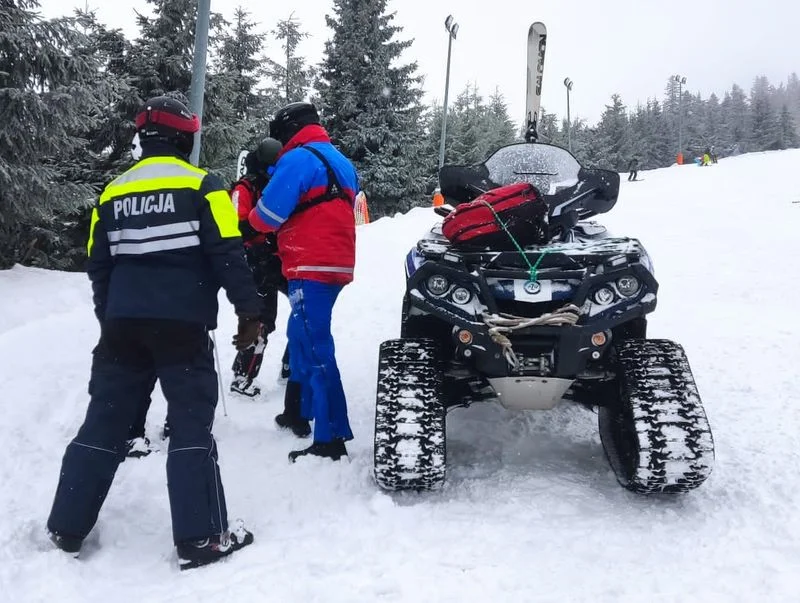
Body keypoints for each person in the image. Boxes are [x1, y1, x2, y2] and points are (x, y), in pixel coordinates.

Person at [46, 96, 262, 570]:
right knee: (190, 425)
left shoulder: (113, 192)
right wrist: (251, 312)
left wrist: (111, 318)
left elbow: (98, 266)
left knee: (102, 422)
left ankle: (66, 527)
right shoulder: (205, 185)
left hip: (123, 328)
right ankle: (201, 539)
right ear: (185, 138)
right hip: (182, 327)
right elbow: (228, 254)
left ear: (146, 139)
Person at [249, 101, 358, 462]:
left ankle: (331, 438)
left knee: (314, 346)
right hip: (334, 263)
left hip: (310, 263)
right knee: (300, 336)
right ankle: (297, 411)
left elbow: (267, 216)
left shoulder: (297, 159)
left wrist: (247, 223)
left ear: (286, 131)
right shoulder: (339, 160)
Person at [228, 137, 291, 397]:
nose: (272, 173)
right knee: (260, 321)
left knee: (305, 311)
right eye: (270, 168)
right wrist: (258, 237)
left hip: (280, 257)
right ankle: (242, 378)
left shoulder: (281, 185)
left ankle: (291, 367)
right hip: (255, 260)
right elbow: (234, 226)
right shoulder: (245, 188)